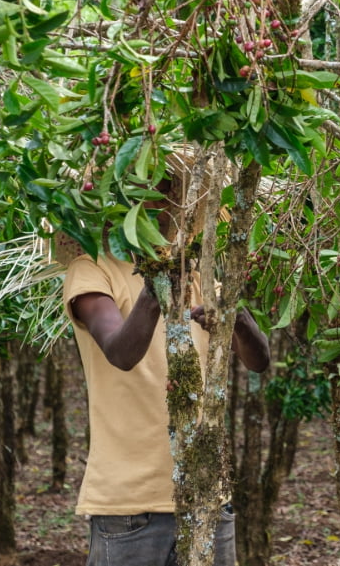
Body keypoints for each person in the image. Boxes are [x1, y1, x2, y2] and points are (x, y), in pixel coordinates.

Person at [61, 162, 270, 566]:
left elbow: (258, 361)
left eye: (160, 190)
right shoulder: (91, 269)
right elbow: (121, 352)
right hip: (129, 506)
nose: (150, 204)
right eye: (135, 192)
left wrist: (237, 319)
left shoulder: (196, 270)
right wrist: (158, 283)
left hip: (209, 492)